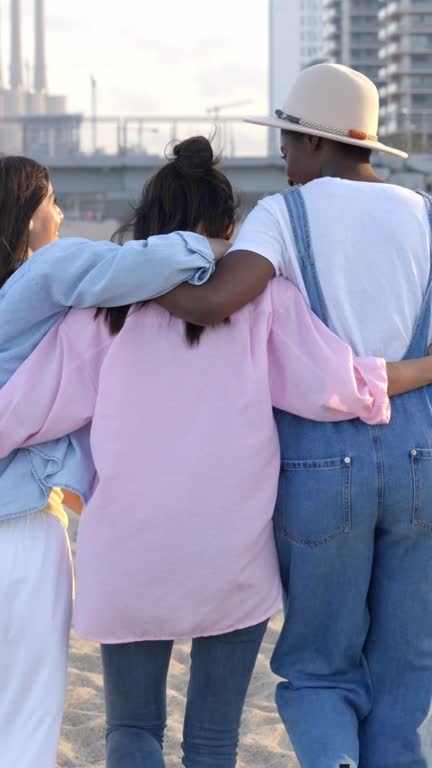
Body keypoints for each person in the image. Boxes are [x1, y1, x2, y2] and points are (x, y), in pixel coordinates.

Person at [0, 136, 430, 768]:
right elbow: (342, 383)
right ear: (231, 228)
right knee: (211, 740)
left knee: (133, 732)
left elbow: (23, 411)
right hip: (231, 555)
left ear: (146, 229)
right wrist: (424, 368)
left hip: (129, 553)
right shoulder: (265, 302)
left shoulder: (102, 317)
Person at [156, 66, 432, 768]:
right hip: (418, 457)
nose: (282, 158)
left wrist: (147, 279)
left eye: (286, 143)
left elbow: (217, 302)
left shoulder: (287, 212)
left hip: (321, 462)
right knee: (406, 661)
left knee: (318, 662)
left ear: (313, 143)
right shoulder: (421, 211)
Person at [0, 154, 226, 768]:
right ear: (22, 215)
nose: (62, 213)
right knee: (23, 721)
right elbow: (142, 263)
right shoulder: (50, 268)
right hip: (18, 528)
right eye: (50, 201)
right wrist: (214, 243)